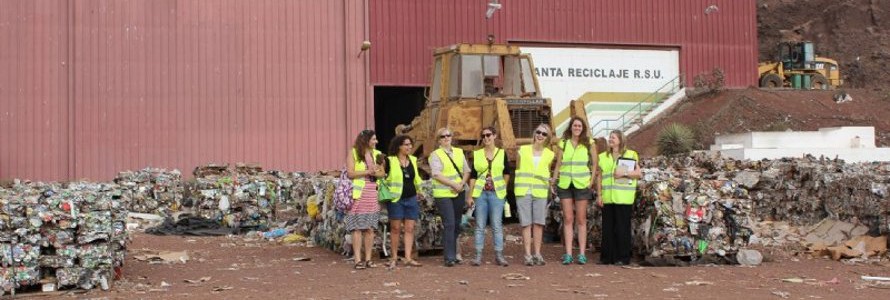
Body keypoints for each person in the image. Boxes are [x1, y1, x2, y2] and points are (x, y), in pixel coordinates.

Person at [553, 117, 598, 265]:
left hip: (581, 185)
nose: (577, 128)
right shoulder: (563, 143)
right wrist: (554, 180)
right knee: (567, 219)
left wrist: (591, 183)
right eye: (575, 125)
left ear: (583, 128)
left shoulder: (589, 143)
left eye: (579, 126)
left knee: (581, 219)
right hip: (565, 184)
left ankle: (582, 254)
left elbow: (595, 164)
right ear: (571, 127)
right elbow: (558, 164)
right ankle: (568, 254)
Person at [467, 127, 512, 267]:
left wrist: (503, 187)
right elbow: (473, 176)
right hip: (481, 194)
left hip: (496, 194)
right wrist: (470, 195)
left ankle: (499, 255)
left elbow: (507, 172)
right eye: (484, 136)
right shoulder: (478, 154)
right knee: (480, 225)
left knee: (496, 225)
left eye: (488, 135)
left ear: (494, 136)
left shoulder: (502, 153)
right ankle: (478, 256)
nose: (486, 138)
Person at [597, 130, 641, 266]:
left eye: (613, 137)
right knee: (607, 228)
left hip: (623, 197)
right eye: (610, 137)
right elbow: (599, 177)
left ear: (621, 140)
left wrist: (624, 173)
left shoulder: (630, 154)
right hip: (608, 197)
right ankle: (607, 258)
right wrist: (599, 195)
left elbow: (638, 173)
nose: (610, 139)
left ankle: (623, 257)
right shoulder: (602, 157)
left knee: (622, 228)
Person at [514, 124, 555, 266]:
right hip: (523, 190)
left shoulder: (550, 154)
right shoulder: (523, 150)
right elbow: (518, 169)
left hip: (540, 191)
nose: (540, 135)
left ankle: (537, 254)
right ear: (534, 134)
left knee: (538, 223)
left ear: (547, 138)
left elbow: (547, 171)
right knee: (526, 223)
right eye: (538, 132)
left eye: (544, 134)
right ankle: (527, 255)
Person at [429, 127, 471, 267]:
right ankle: (449, 257)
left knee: (457, 224)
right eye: (443, 136)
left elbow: (466, 170)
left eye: (448, 135)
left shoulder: (459, 152)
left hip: (458, 192)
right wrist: (454, 184)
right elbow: (436, 174)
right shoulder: (435, 155)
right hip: (444, 194)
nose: (446, 138)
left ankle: (453, 253)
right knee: (449, 223)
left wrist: (461, 184)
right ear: (439, 140)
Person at [345, 129, 385, 270]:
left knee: (369, 228)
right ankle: (357, 260)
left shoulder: (377, 154)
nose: (376, 142)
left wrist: (377, 171)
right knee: (356, 228)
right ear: (366, 140)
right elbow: (350, 173)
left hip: (372, 194)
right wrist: (368, 171)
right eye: (373, 139)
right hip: (359, 194)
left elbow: (382, 173)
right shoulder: (354, 153)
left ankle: (368, 259)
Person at [383, 135, 424, 268]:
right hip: (396, 199)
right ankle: (394, 257)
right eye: (406, 144)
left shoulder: (413, 159)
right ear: (399, 146)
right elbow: (383, 177)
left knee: (410, 228)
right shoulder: (390, 160)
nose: (409, 147)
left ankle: (407, 257)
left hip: (411, 198)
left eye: (410, 144)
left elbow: (416, 178)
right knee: (395, 228)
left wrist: (420, 191)